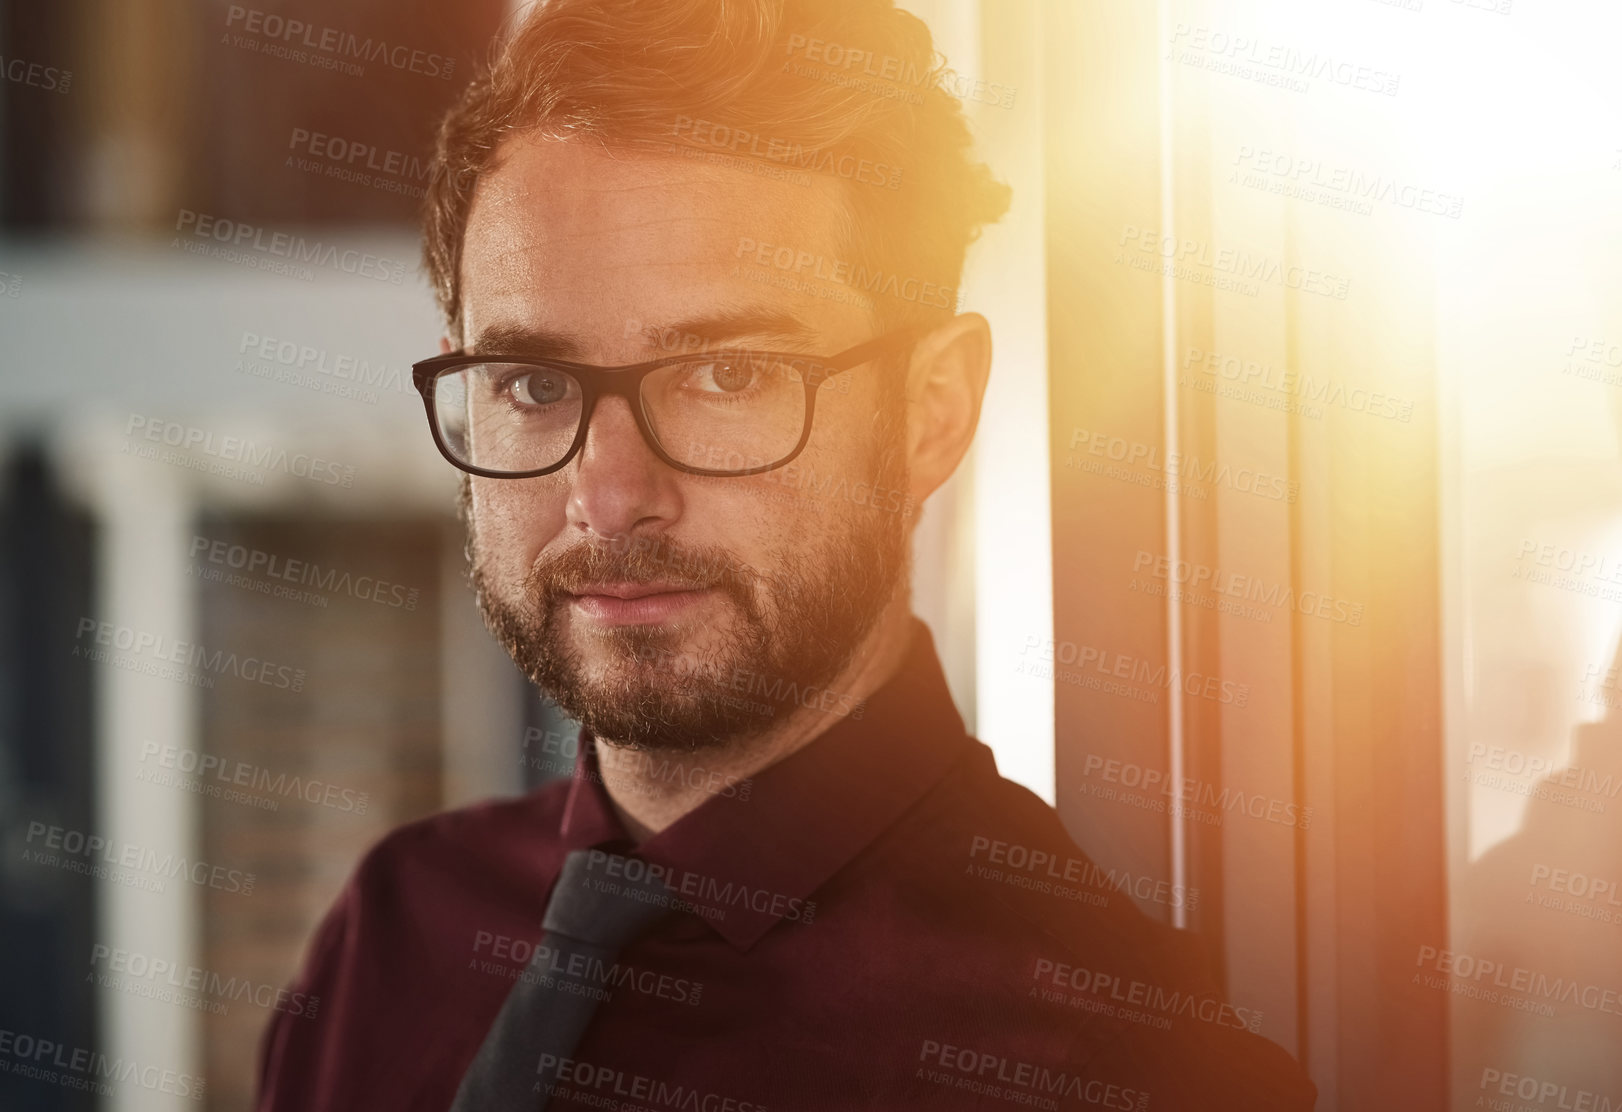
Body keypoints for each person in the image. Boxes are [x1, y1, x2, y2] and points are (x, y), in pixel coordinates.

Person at [257, 0, 1317, 1108]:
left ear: (931, 411)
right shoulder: (395, 929)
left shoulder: (1115, 1066)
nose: (611, 497)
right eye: (533, 384)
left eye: (727, 375)